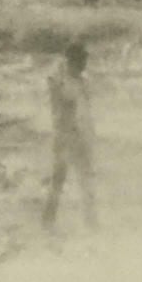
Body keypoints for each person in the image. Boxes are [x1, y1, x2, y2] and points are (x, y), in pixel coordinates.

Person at [43, 39, 96, 230]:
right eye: (81, 62)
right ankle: (48, 221)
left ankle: (91, 223)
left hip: (77, 136)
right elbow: (65, 95)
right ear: (72, 61)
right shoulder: (60, 80)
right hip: (64, 136)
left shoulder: (80, 80)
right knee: (59, 181)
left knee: (84, 180)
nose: (83, 66)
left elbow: (86, 111)